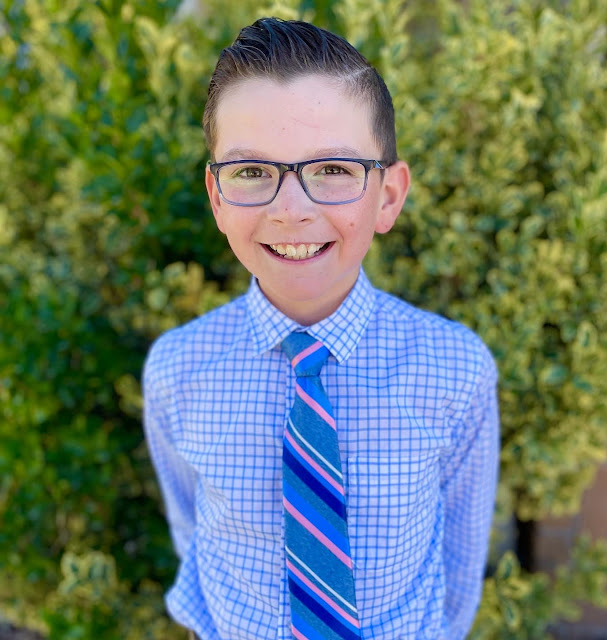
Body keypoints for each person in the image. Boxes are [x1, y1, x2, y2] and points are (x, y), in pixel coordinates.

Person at [143, 17, 499, 640]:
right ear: (217, 197)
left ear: (387, 195)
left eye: (333, 168)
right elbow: (193, 533)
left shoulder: (455, 368)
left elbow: (458, 566)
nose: (292, 209)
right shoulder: (178, 369)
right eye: (251, 172)